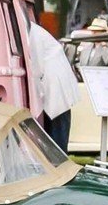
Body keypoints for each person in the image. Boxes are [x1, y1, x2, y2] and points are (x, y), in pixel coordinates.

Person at [25, 18, 82, 148]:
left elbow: (37, 68)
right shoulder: (38, 32)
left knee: (57, 136)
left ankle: (59, 164)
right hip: (58, 85)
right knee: (59, 129)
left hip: (54, 85)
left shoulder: (34, 35)